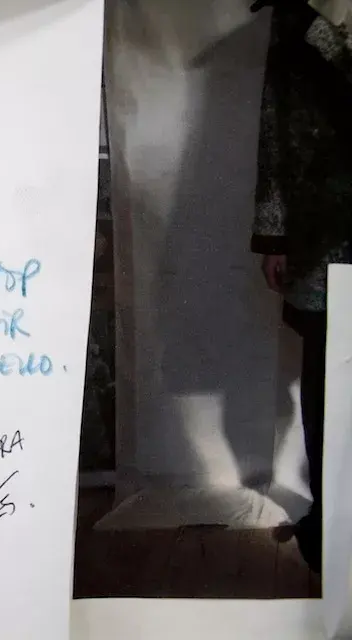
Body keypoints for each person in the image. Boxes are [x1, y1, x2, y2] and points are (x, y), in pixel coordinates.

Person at [252, 1, 352, 572]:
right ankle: (331, 518)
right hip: (318, 235)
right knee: (323, 380)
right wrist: (274, 234)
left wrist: (319, 33)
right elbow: (275, 126)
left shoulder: (307, 22)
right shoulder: (290, 14)